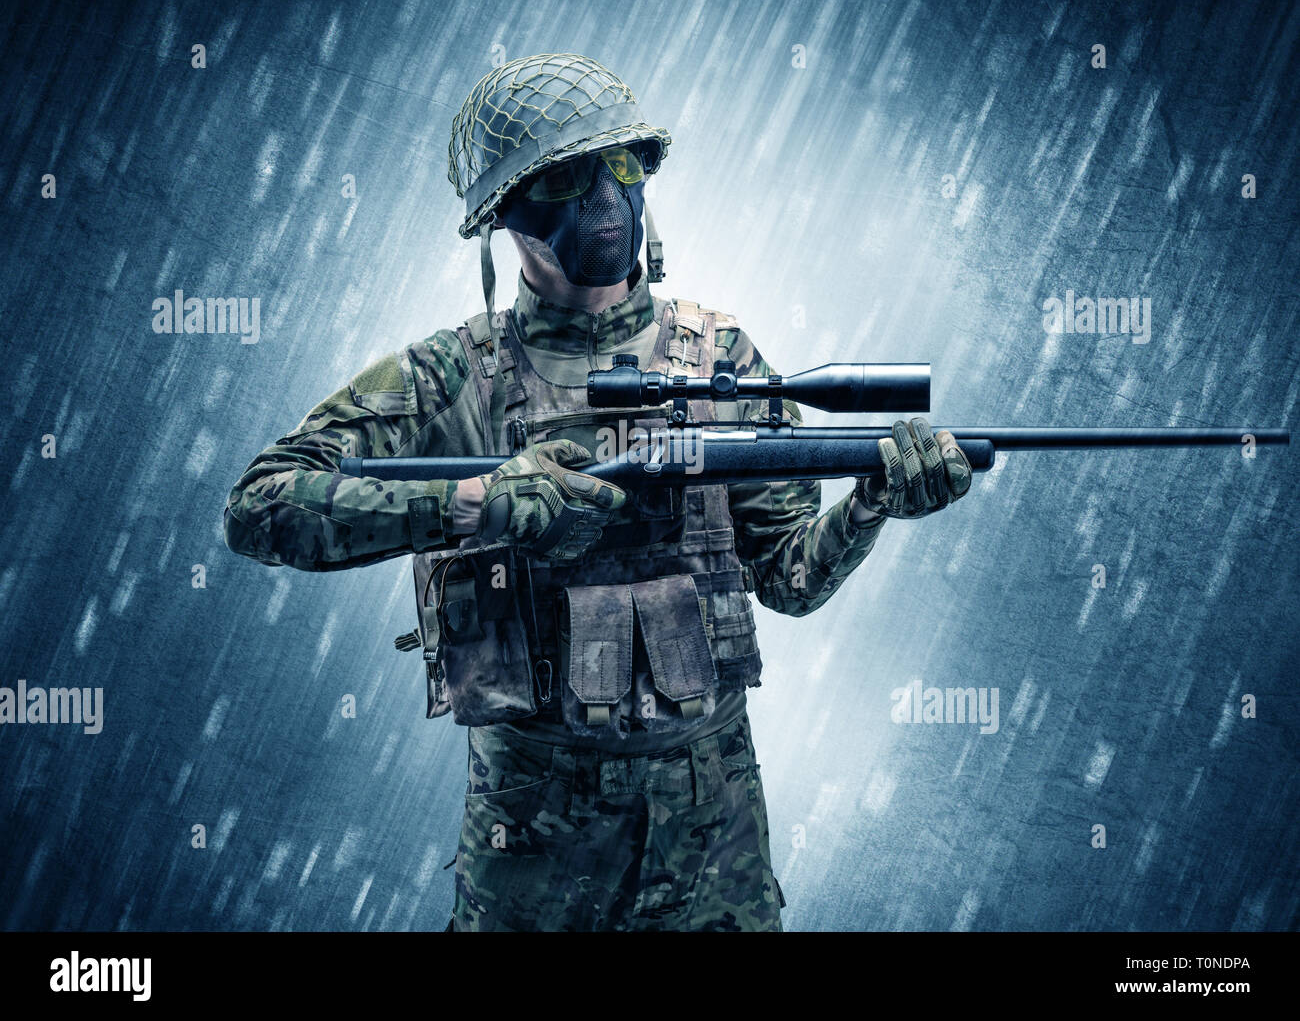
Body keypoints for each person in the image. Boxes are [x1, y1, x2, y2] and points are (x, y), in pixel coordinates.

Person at [223, 53, 972, 931]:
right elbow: (261, 503)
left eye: (624, 165)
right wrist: (473, 502)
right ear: (507, 213)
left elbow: (792, 579)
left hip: (711, 824)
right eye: (570, 176)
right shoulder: (453, 374)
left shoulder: (719, 360)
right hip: (536, 836)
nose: (606, 197)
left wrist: (876, 501)